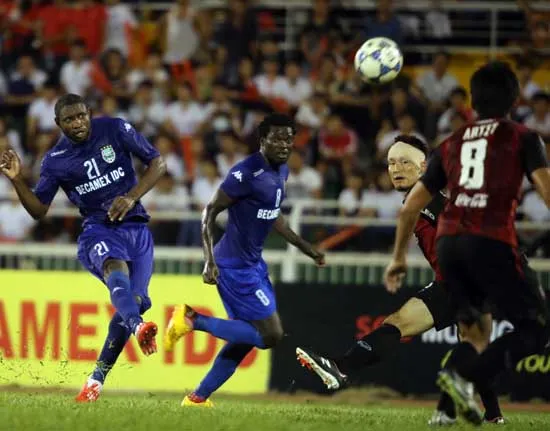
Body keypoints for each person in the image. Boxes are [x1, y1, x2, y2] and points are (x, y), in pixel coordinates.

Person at [384, 61, 550, 425]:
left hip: (450, 246)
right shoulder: (523, 137)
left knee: (473, 336)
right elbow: (546, 190)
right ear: (515, 99)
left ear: (472, 101)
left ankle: (446, 410)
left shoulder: (451, 143)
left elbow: (411, 205)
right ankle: (464, 378)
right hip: (490, 239)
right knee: (536, 329)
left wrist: (398, 257)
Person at [296, 135, 503, 425]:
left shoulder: (432, 200)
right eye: (392, 163)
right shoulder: (423, 200)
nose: (396, 168)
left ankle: (340, 367)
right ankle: (493, 417)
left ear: (424, 167)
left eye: (405, 162)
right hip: (453, 283)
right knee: (461, 346)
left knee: (457, 343)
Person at [0, 93, 166, 402]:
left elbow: (158, 162)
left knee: (135, 301)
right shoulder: (55, 161)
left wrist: (131, 197)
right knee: (115, 267)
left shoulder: (115, 129)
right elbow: (39, 210)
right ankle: (138, 325)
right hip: (98, 229)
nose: (77, 123)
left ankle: (95, 382)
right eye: (69, 120)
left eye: (80, 116)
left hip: (136, 228)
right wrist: (18, 180)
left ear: (89, 113)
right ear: (58, 124)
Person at [163, 114, 325, 407]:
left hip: (253, 265)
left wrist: (306, 247)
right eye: (277, 138)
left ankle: (198, 398)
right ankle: (192, 319)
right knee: (271, 335)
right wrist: (209, 260)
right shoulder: (245, 173)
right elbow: (210, 211)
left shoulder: (282, 170)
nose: (284, 144)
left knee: (246, 338)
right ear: (262, 141)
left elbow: (273, 214)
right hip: (233, 267)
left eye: (289, 139)